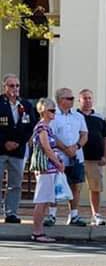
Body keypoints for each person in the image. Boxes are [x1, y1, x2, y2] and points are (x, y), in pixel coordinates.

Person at [48, 87, 88, 227]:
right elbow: (50, 135)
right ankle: (52, 214)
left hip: (76, 157)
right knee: (55, 185)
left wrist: (76, 147)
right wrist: (65, 148)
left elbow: (84, 134)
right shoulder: (53, 116)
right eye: (69, 98)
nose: (72, 101)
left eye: (72, 98)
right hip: (58, 157)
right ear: (60, 100)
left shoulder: (78, 116)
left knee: (76, 186)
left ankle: (74, 215)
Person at [0, 74, 36, 223]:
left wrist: (19, 142)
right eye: (11, 85)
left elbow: (31, 126)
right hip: (1, 150)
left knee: (15, 184)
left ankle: (11, 213)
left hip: (18, 151)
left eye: (17, 85)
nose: (15, 88)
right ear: (5, 87)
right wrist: (4, 142)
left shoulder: (26, 105)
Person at [28, 98, 62, 242]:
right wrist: (57, 162)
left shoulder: (46, 127)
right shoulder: (42, 127)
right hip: (45, 169)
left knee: (45, 200)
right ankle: (37, 232)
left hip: (49, 168)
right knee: (42, 200)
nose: (54, 113)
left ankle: (39, 230)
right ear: (43, 111)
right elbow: (46, 148)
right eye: (51, 110)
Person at [78, 89, 106, 226]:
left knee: (95, 188)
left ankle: (96, 215)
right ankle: (74, 214)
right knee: (75, 188)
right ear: (79, 100)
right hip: (78, 158)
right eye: (85, 98)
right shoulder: (74, 116)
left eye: (90, 98)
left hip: (95, 159)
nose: (88, 101)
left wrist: (105, 156)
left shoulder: (99, 117)